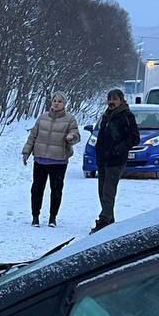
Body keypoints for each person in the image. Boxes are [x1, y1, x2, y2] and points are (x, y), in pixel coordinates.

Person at [21, 92, 80, 228]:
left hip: (59, 161)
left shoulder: (70, 119)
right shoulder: (42, 118)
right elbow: (33, 136)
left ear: (64, 104)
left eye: (60, 101)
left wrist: (72, 137)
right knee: (37, 189)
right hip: (41, 160)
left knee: (56, 190)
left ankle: (52, 217)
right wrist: (26, 152)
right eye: (54, 100)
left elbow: (76, 134)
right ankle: (35, 217)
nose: (56, 103)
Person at [91, 88, 139, 234]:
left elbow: (134, 138)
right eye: (109, 99)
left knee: (108, 191)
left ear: (121, 100)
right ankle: (109, 218)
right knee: (101, 190)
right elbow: (101, 136)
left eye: (115, 99)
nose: (111, 102)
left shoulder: (126, 116)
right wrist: (99, 151)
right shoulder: (106, 115)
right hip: (103, 159)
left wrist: (119, 149)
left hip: (116, 160)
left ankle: (105, 219)